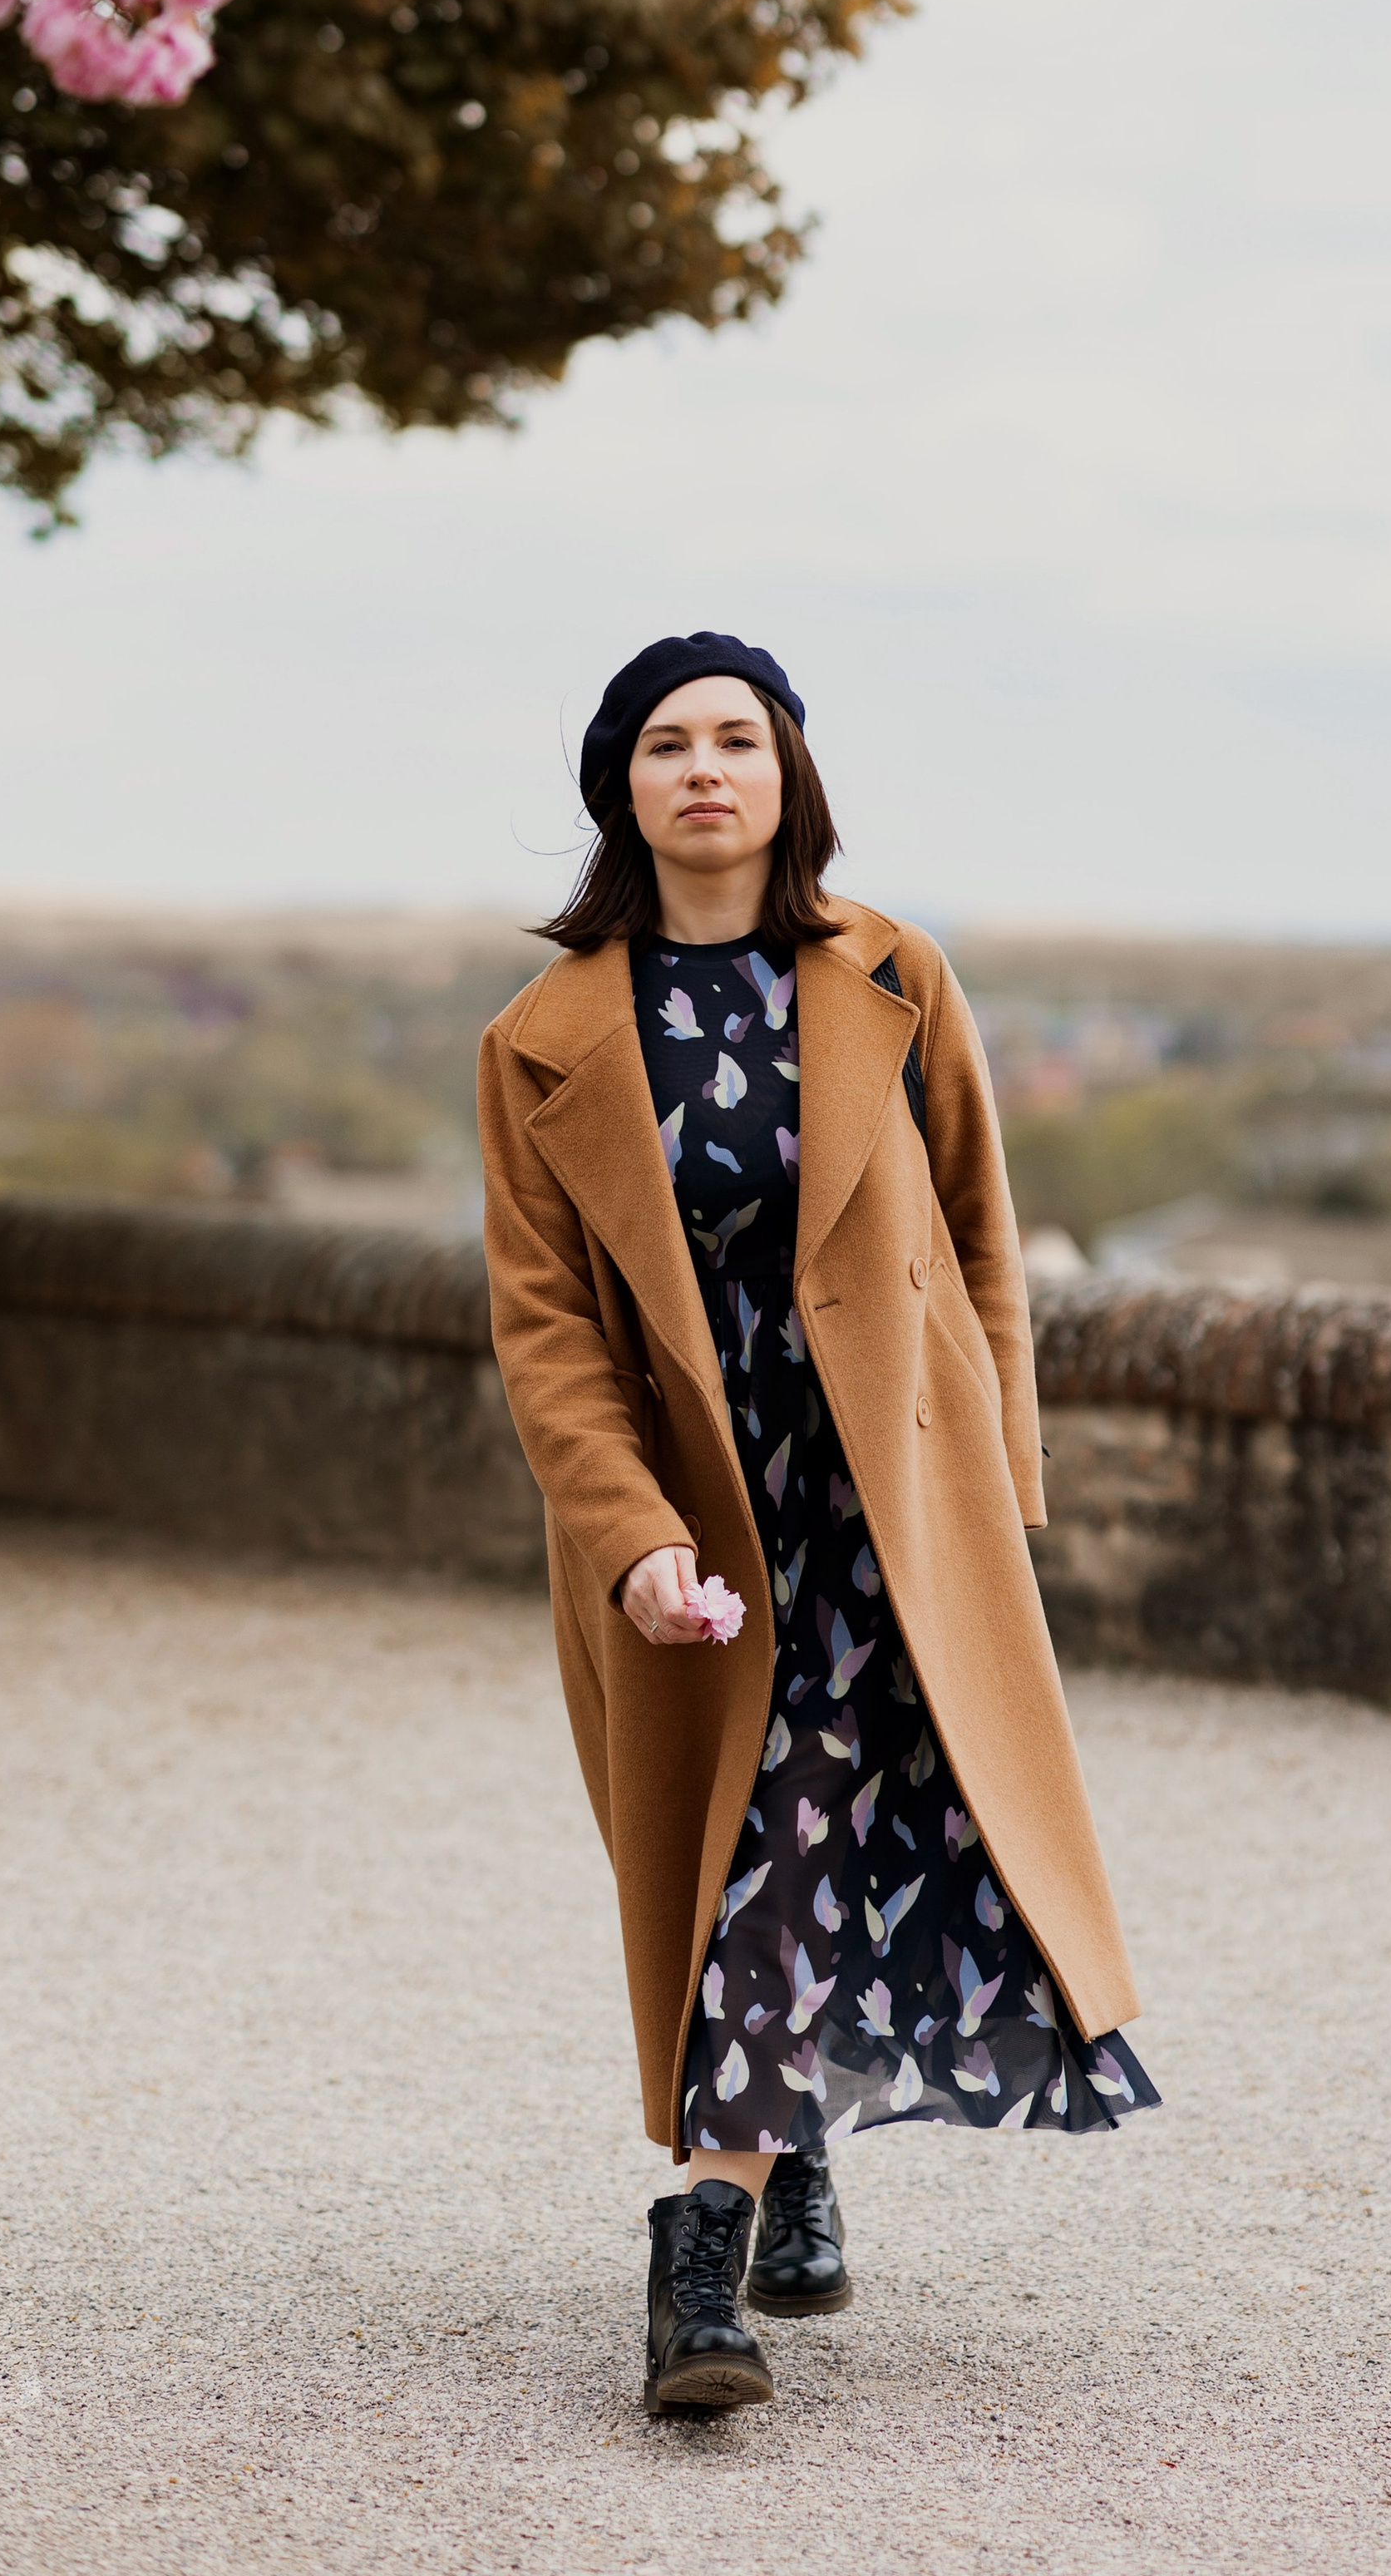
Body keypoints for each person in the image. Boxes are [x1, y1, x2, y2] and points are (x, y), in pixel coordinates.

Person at [479, 631, 1158, 2419]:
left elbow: (985, 1244)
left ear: (786, 773)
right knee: (724, 1841)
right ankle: (788, 2147)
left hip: (887, 1500)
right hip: (698, 1516)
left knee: (809, 1808)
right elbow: (544, 1329)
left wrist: (992, 1504)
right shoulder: (540, 1042)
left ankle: (701, 2238)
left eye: (736, 739)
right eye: (663, 745)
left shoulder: (890, 975)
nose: (703, 770)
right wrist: (629, 1535)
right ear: (617, 789)